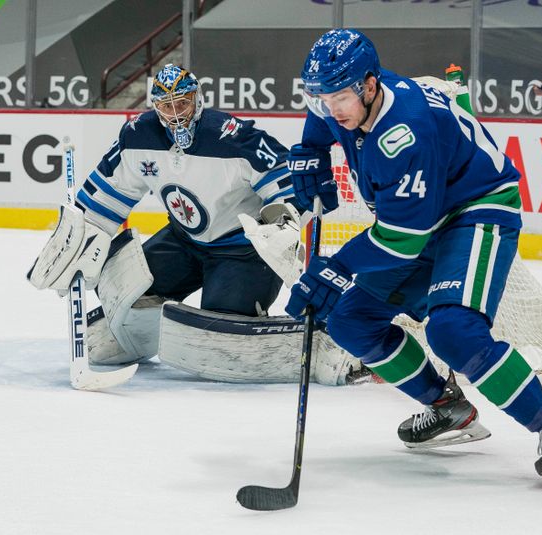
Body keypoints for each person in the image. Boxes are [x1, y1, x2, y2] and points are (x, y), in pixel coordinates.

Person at [284, 29, 542, 488]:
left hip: (473, 210)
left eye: (339, 97)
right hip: (416, 220)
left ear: (370, 85)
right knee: (351, 322)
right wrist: (313, 153)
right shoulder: (342, 95)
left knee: (453, 331)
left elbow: (402, 241)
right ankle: (447, 407)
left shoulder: (404, 130)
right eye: (321, 95)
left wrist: (337, 267)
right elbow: (320, 119)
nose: (330, 107)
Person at [27, 63, 360, 386]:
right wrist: (78, 238)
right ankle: (155, 329)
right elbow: (106, 195)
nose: (175, 113)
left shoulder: (232, 136)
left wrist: (282, 219)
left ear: (197, 99)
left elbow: (289, 180)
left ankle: (317, 346)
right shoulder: (137, 136)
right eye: (165, 105)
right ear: (154, 106)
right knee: (113, 310)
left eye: (182, 102)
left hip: (241, 250)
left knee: (217, 331)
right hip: (183, 241)